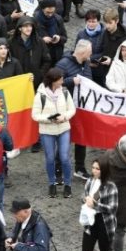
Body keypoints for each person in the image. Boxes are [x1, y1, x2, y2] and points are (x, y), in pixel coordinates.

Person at [70, 158, 118, 251]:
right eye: (93, 168)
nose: (94, 171)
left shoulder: (111, 186)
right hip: (90, 221)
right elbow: (84, 195)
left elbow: (113, 208)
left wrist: (95, 204)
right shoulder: (90, 181)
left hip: (104, 223)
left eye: (98, 169)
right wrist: (85, 199)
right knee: (86, 250)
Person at [32, 67, 76, 198]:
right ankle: (52, 183)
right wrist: (50, 119)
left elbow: (72, 109)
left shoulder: (65, 92)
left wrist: (64, 117)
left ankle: (67, 184)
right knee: (50, 158)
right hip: (47, 131)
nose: (62, 81)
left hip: (63, 128)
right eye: (60, 79)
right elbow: (35, 115)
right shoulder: (40, 95)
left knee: (65, 157)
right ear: (53, 80)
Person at [56, 40, 93, 180]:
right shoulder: (63, 64)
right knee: (64, 139)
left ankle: (80, 168)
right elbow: (52, 83)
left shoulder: (86, 63)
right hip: (66, 109)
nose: (91, 54)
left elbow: (89, 80)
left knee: (81, 137)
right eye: (89, 51)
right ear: (83, 52)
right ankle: (58, 169)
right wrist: (71, 81)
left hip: (81, 109)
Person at [8, 15, 51, 88]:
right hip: (18, 81)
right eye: (25, 26)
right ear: (20, 28)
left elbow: (47, 60)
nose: (29, 28)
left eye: (30, 26)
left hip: (35, 81)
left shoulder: (39, 42)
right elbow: (9, 61)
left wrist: (39, 75)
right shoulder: (12, 43)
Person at [34, 0, 68, 66]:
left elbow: (65, 38)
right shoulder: (35, 21)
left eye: (52, 12)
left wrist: (59, 38)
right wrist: (42, 40)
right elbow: (31, 39)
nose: (50, 15)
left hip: (56, 55)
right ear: (42, 9)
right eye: (47, 12)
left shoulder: (58, 19)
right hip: (42, 57)